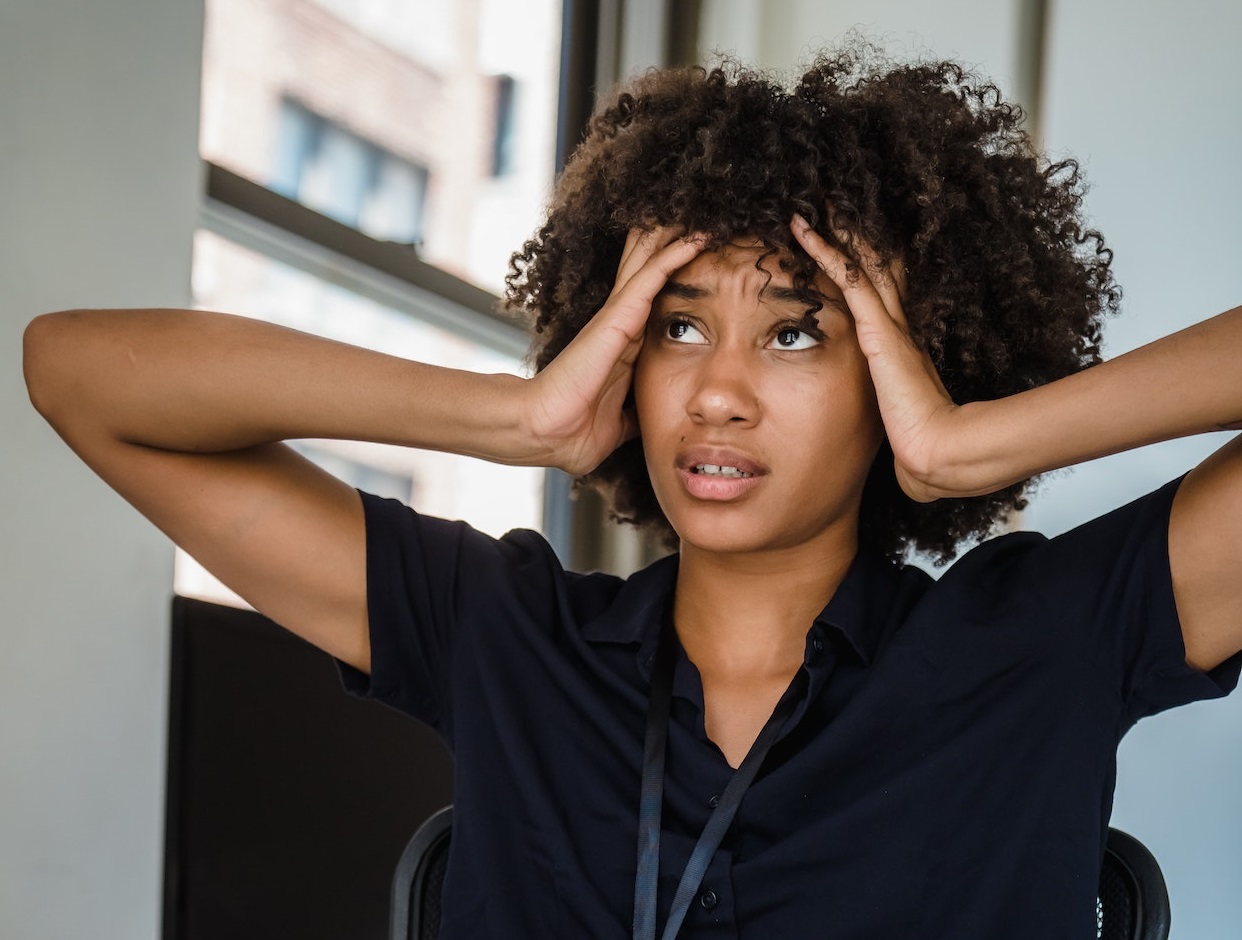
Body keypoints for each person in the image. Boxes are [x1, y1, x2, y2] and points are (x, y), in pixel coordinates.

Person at [22, 46, 1242, 939]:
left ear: (905, 360)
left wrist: (977, 442)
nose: (717, 391)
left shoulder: (1044, 640)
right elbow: (75, 372)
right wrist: (517, 415)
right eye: (676, 326)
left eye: (798, 335)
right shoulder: (504, 632)